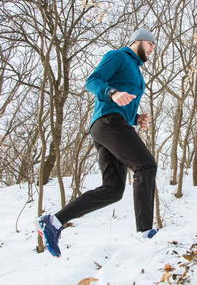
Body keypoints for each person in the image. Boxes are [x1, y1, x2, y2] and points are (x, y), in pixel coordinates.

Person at [35, 29, 158, 258]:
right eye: (151, 44)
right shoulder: (119, 56)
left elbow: (123, 105)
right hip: (108, 122)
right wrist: (112, 92)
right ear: (138, 40)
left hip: (111, 125)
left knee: (113, 189)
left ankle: (53, 221)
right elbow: (92, 81)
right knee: (146, 165)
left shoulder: (136, 72)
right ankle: (145, 232)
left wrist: (136, 118)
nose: (152, 50)